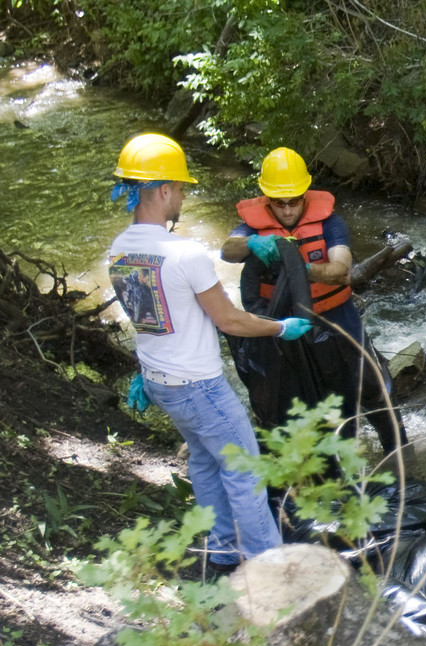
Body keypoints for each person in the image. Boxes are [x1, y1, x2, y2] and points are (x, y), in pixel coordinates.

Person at [108, 132, 313, 573]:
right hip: (198, 385)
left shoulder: (119, 250)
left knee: (203, 460)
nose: (181, 196)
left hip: (161, 381)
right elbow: (230, 320)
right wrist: (281, 326)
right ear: (164, 190)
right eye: (180, 188)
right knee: (245, 467)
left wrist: (147, 373)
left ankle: (221, 548)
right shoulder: (185, 254)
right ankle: (271, 568)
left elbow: (148, 316)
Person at [219, 146, 407, 458]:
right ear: (267, 199)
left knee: (372, 384)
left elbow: (342, 271)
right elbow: (228, 250)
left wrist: (299, 268)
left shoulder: (330, 224)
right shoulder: (254, 227)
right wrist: (252, 242)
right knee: (291, 402)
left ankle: (399, 451)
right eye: (280, 203)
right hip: (285, 327)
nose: (288, 209)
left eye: (294, 200)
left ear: (306, 193)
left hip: (335, 317)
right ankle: (311, 468)